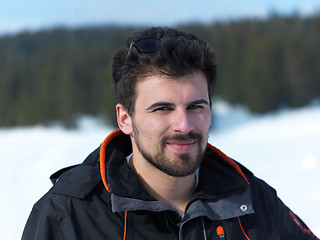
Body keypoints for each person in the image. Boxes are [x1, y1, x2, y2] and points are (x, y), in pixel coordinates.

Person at [22, 27, 318, 240]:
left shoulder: (252, 198)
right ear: (125, 119)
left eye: (196, 106)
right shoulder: (67, 215)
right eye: (162, 108)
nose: (185, 125)